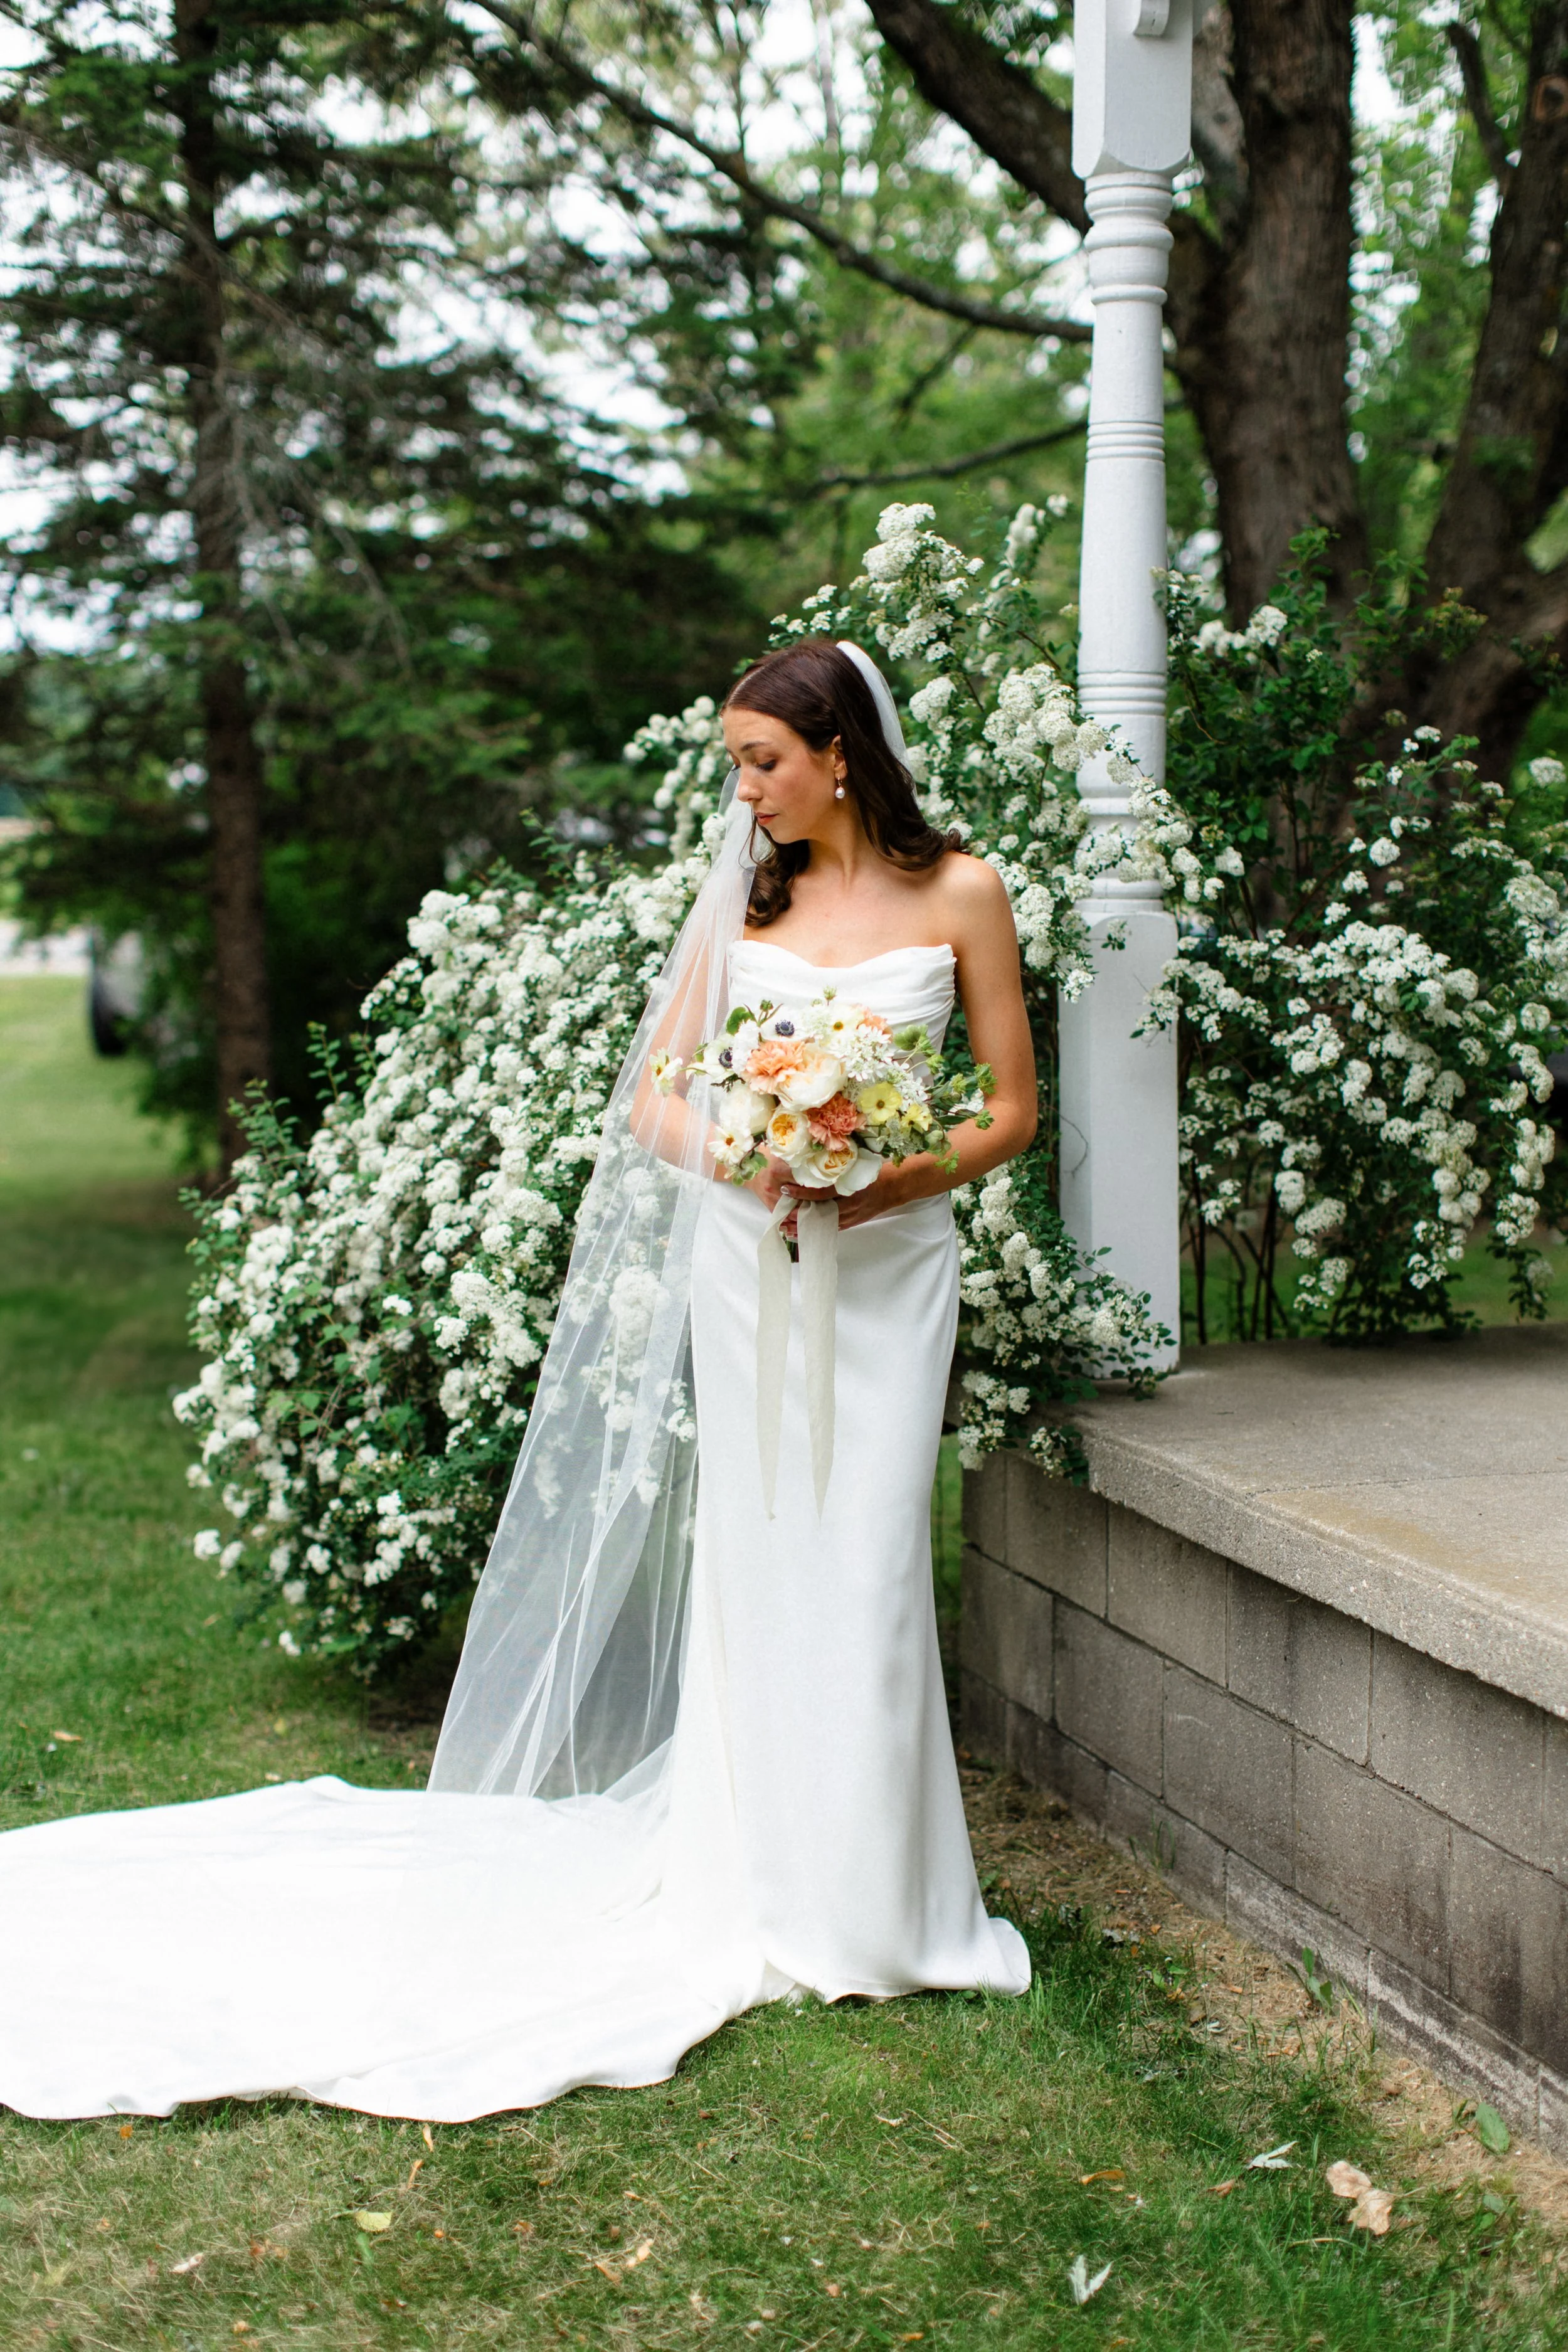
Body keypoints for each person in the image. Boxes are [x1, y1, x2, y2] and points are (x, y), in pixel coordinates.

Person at [0, 640, 1034, 2126]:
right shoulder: (748, 895)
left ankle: (879, 1907)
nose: (740, 789)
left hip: (884, 1269)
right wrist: (756, 1156)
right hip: (753, 1265)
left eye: (759, 761)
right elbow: (657, 1095)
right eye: (734, 762)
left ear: (841, 756)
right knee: (762, 1566)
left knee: (866, 1560)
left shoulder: (961, 894)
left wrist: (883, 1175)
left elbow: (1007, 1107)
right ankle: (763, 1872)